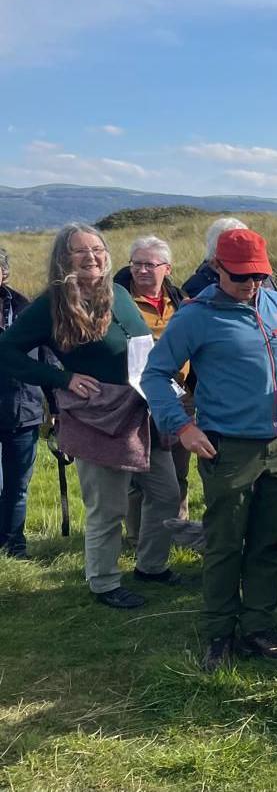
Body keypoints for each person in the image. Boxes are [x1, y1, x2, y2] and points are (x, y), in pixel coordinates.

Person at [143, 228, 277, 667]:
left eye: (258, 275)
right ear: (216, 268)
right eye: (240, 276)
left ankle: (258, 627)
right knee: (225, 543)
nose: (250, 285)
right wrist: (182, 428)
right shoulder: (194, 316)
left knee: (267, 541)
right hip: (227, 449)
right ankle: (219, 634)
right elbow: (154, 375)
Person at [0, 225, 184, 609]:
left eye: (97, 249)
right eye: (79, 252)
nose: (91, 257)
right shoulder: (51, 304)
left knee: (166, 493)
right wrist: (61, 378)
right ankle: (103, 582)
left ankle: (151, 566)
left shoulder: (117, 293)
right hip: (98, 416)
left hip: (141, 411)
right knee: (108, 507)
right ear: (63, 259)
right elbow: (7, 352)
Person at [116, 236, 192, 540]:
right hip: (135, 398)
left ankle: (177, 531)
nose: (142, 270)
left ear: (167, 268)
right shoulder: (118, 300)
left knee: (179, 470)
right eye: (137, 264)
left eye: (150, 264)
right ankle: (138, 536)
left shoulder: (180, 300)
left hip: (181, 397)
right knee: (139, 473)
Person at [0, 246, 46, 559]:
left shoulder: (25, 309)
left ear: (4, 273)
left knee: (17, 487)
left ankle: (14, 548)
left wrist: (55, 406)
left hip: (22, 409)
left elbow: (47, 358)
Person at [182, 217, 277, 298]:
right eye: (240, 276)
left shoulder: (263, 277)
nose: (251, 283)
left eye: (257, 276)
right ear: (215, 262)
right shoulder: (195, 289)